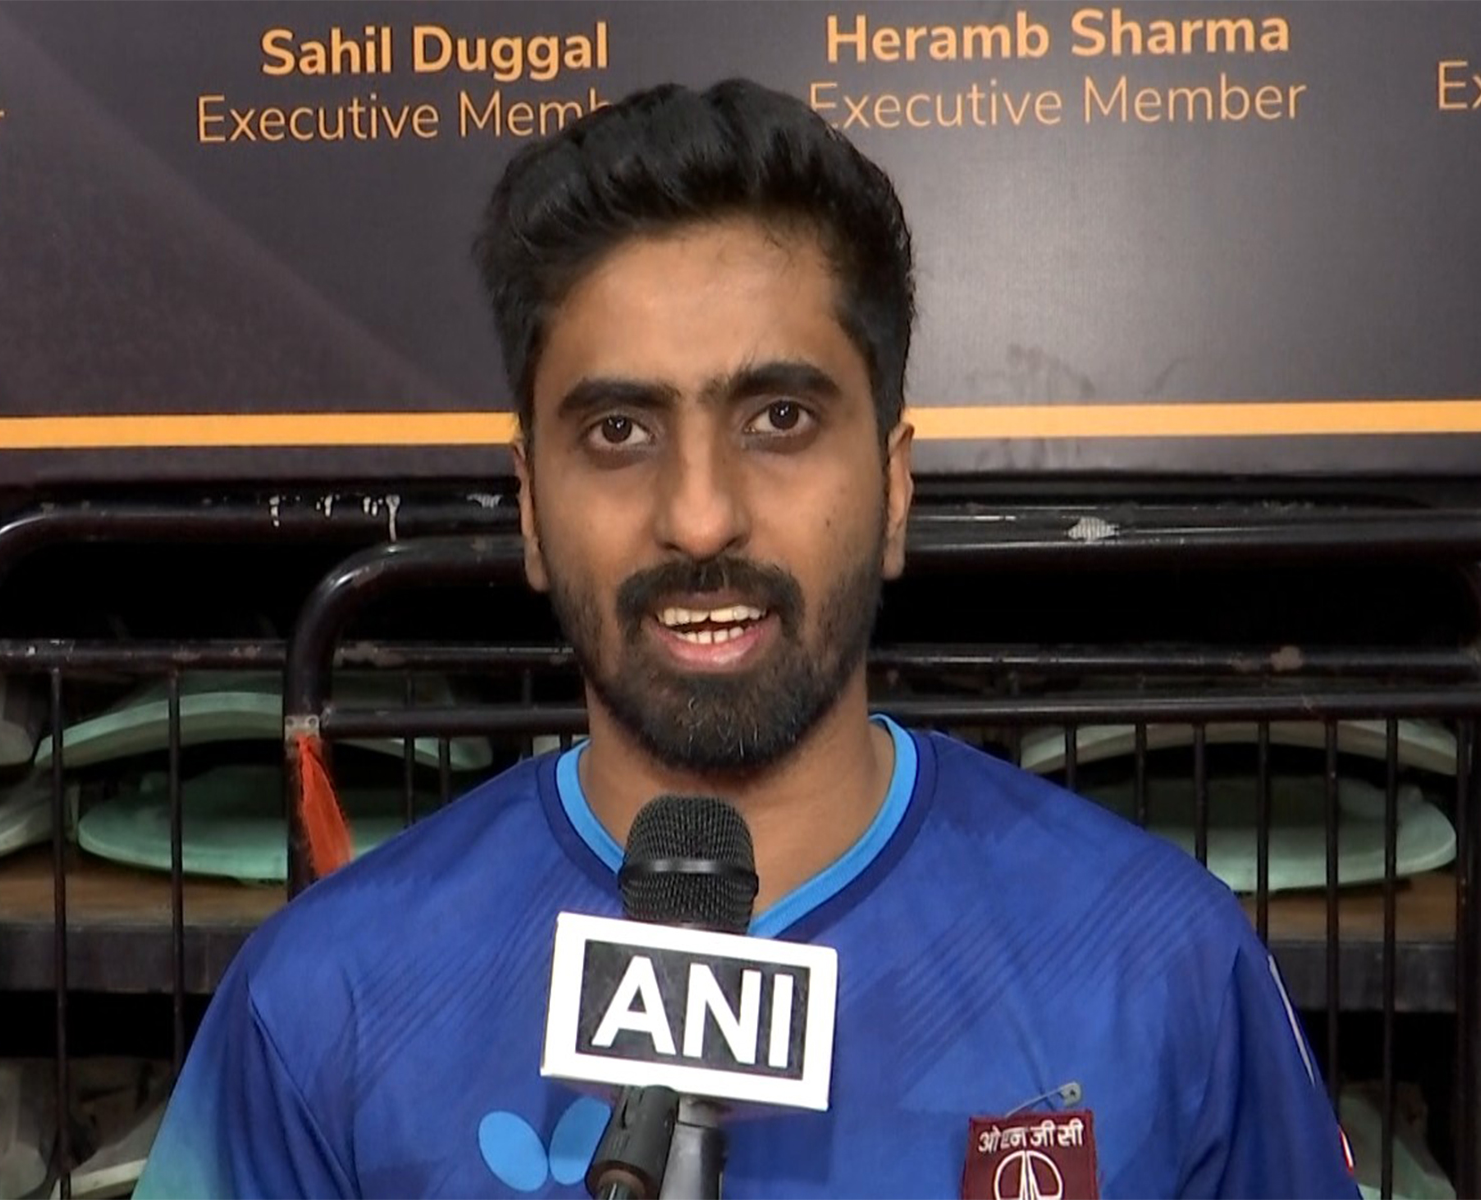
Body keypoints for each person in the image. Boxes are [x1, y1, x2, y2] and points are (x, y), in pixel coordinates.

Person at [134, 79, 1359, 1198]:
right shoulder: (325, 1007)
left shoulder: (1160, 968)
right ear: (529, 508)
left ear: (893, 486)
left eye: (778, 418)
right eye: (618, 432)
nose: (700, 515)